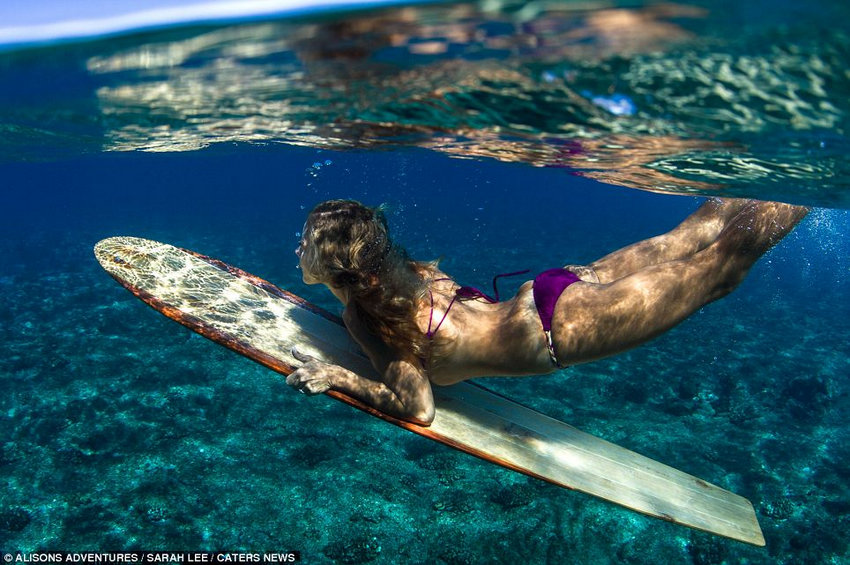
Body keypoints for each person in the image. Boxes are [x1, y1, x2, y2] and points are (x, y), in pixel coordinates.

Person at [287, 198, 808, 425]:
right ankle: (779, 169)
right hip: (552, 290)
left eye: (306, 242)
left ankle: (824, 173)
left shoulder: (366, 317)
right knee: (695, 233)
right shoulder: (407, 271)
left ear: (342, 267)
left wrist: (340, 377)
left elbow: (418, 407)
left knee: (722, 268)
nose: (297, 248)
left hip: (559, 330)